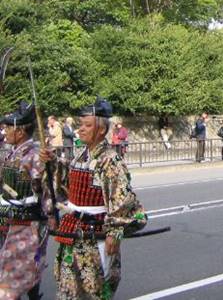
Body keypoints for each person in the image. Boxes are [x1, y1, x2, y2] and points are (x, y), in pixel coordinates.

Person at [39, 97, 147, 300]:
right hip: (74, 231)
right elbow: (68, 184)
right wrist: (52, 162)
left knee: (93, 290)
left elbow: (121, 199)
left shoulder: (110, 160)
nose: (81, 129)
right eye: (80, 124)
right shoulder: (82, 155)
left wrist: (115, 230)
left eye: (87, 125)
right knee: (69, 290)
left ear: (101, 130)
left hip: (94, 235)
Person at [0, 101, 48, 300]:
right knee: (16, 273)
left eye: (8, 127)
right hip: (9, 221)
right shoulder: (13, 152)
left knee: (15, 278)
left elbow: (45, 189)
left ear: (20, 131)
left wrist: (48, 216)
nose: (5, 131)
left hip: (27, 224)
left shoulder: (34, 154)